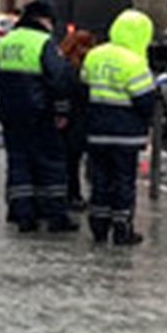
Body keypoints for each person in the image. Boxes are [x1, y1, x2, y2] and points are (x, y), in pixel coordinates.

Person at [0, 0, 77, 233]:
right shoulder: (43, 43)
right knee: (51, 164)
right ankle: (56, 215)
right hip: (40, 113)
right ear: (43, 20)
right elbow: (59, 80)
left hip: (11, 114)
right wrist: (62, 110)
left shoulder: (6, 42)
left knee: (18, 163)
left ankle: (22, 214)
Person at [81, 10, 157, 246]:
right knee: (123, 181)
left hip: (96, 131)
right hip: (126, 134)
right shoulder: (135, 62)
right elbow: (145, 100)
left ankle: (99, 227)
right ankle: (122, 229)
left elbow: (83, 87)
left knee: (99, 180)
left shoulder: (95, 55)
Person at [61, 29, 99, 212]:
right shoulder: (88, 66)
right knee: (91, 161)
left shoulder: (63, 65)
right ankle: (90, 196)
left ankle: (72, 195)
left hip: (70, 119)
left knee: (71, 162)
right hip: (86, 118)